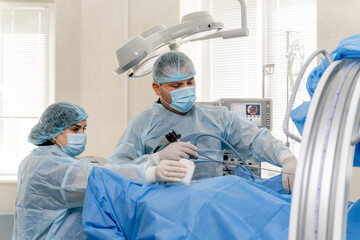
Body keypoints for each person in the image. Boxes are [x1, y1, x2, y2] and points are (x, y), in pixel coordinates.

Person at [109, 51, 297, 193]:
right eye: (176, 85)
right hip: (162, 213)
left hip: (211, 204)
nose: (186, 89)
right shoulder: (143, 124)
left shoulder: (217, 117)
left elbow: (255, 139)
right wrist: (154, 161)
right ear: (157, 88)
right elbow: (115, 170)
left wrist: (286, 158)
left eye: (190, 82)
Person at [12, 102, 149, 240]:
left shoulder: (44, 158)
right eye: (75, 129)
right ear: (50, 130)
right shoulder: (48, 165)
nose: (82, 134)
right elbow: (101, 180)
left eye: (84, 129)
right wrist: (149, 170)